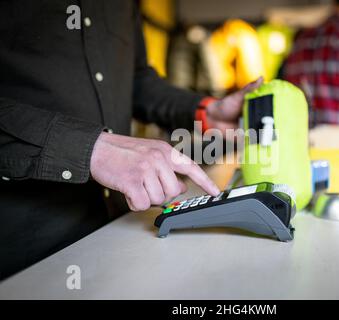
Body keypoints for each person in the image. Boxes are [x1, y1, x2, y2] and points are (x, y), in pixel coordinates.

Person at [0, 0, 262, 280]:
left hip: (120, 228)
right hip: (24, 255)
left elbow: (136, 79)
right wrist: (90, 149)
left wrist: (205, 110)